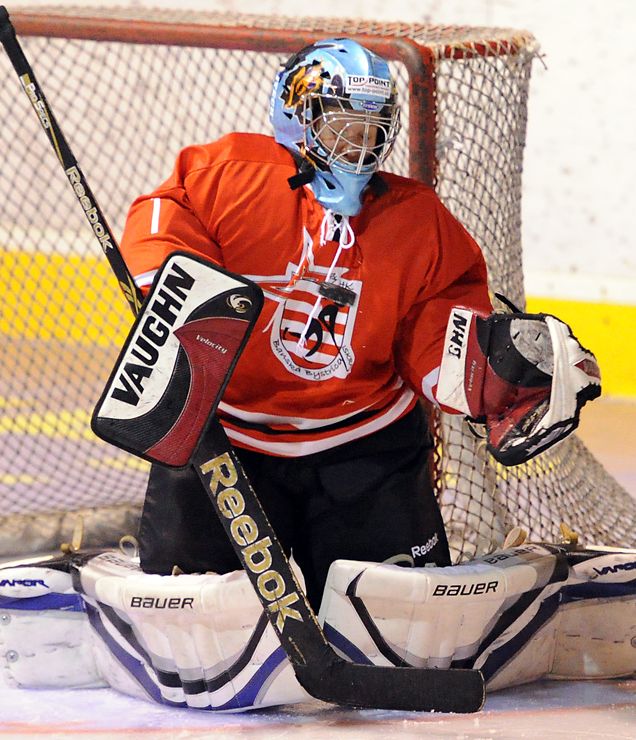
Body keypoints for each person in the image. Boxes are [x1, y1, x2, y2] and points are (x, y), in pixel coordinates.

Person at [116, 37, 599, 607]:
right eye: (342, 122)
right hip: (228, 442)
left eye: (372, 125)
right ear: (295, 114)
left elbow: (441, 320)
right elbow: (162, 217)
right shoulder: (229, 176)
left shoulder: (415, 219)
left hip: (365, 449)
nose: (359, 142)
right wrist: (171, 279)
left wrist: (486, 372)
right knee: (192, 610)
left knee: (398, 615)